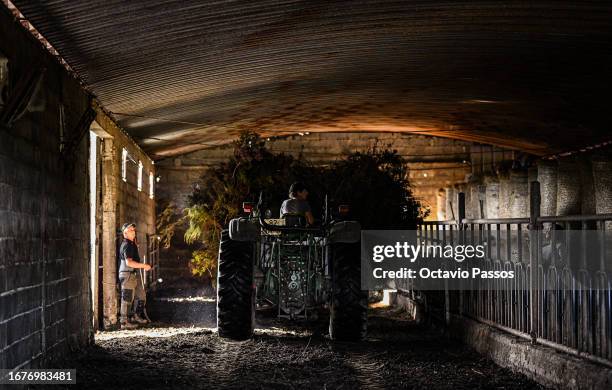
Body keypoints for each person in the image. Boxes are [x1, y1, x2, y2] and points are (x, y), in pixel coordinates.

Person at [118, 222, 151, 329]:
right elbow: (129, 263)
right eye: (131, 230)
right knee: (127, 298)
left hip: (133, 274)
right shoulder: (127, 245)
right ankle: (124, 322)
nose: (134, 231)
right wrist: (143, 266)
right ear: (125, 233)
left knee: (141, 296)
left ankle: (135, 316)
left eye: (134, 230)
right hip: (127, 274)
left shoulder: (131, 244)